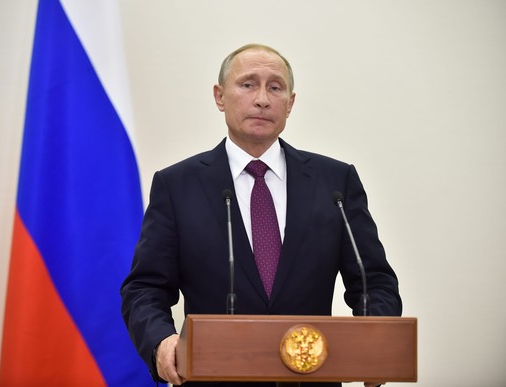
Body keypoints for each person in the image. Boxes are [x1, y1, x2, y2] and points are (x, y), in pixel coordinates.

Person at [120, 43, 402, 387]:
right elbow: (146, 287)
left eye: (275, 87)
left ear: (290, 103)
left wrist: (375, 341)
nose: (263, 99)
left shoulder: (335, 183)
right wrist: (161, 343)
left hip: (310, 378)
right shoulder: (178, 185)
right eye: (248, 84)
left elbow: (373, 280)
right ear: (220, 96)